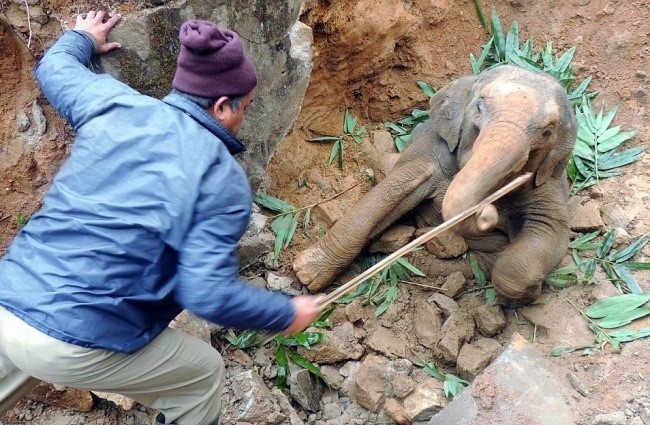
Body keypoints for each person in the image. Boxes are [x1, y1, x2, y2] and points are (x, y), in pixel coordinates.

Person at [0, 11, 321, 425]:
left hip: (9, 299)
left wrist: (81, 37)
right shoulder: (221, 180)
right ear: (223, 106)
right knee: (202, 373)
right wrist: (285, 313)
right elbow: (207, 295)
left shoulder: (112, 102)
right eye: (247, 107)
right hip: (73, 341)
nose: (244, 119)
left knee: (28, 345)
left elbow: (54, 67)